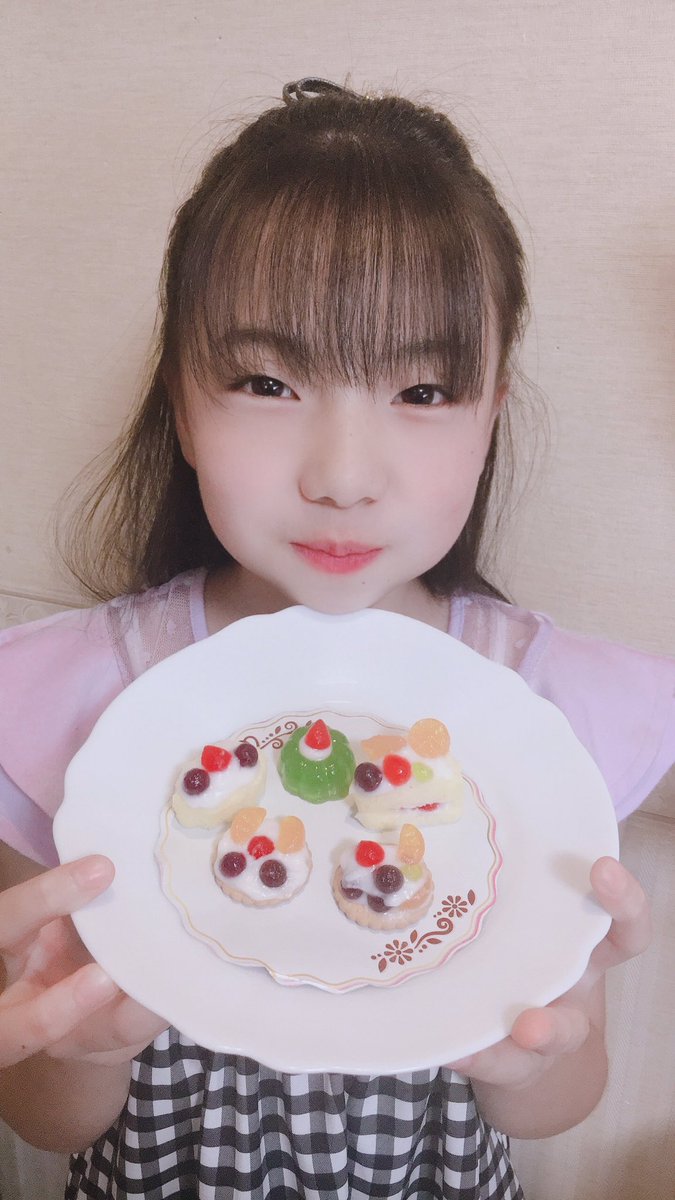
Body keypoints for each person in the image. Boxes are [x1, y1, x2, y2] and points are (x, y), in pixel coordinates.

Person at [0, 77, 671, 1200]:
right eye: (266, 381)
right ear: (180, 402)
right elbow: (49, 1119)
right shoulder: (69, 706)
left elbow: (557, 1097)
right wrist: (81, 1049)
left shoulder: (543, 715)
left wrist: (531, 1052)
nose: (344, 476)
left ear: (492, 410)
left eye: (424, 390)